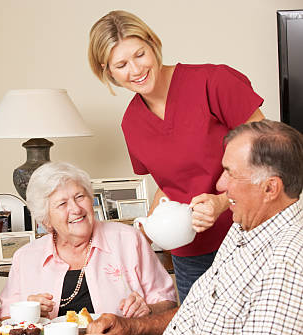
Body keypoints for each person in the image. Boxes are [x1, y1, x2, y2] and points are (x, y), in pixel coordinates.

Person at [82, 120, 303, 335]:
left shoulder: (289, 258)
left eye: (230, 174)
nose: (220, 185)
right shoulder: (246, 225)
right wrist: (131, 326)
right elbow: (197, 313)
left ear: (270, 188)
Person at [87, 10, 265, 302]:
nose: (135, 70)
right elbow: (171, 185)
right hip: (190, 255)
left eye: (139, 54)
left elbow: (269, 151)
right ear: (108, 72)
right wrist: (143, 232)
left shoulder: (213, 82)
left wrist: (223, 201)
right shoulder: (131, 122)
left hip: (250, 237)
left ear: (153, 43)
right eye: (121, 64)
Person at [0, 162, 176, 320]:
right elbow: (6, 317)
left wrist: (147, 310)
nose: (76, 209)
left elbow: (168, 304)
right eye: (62, 204)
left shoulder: (129, 240)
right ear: (46, 220)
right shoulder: (26, 257)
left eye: (79, 197)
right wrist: (29, 313)